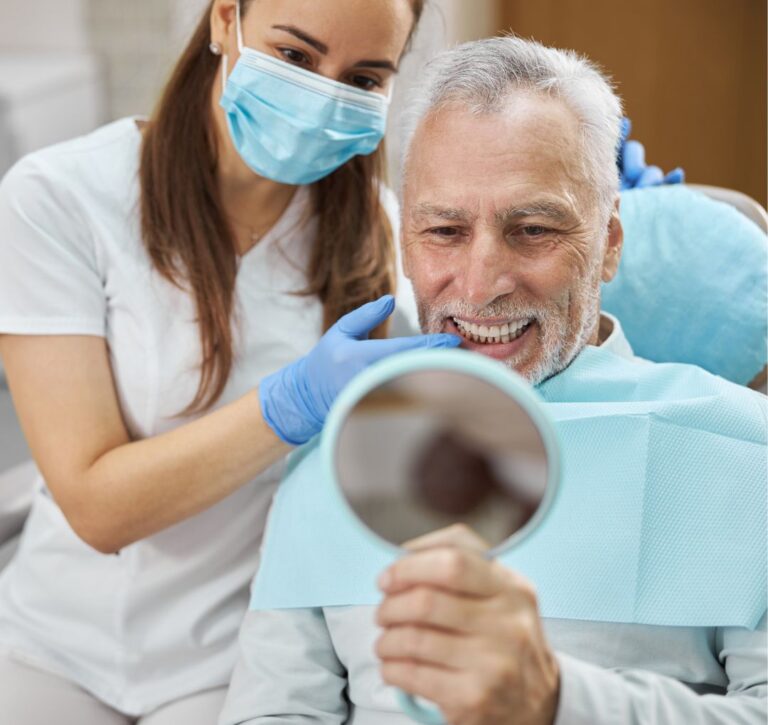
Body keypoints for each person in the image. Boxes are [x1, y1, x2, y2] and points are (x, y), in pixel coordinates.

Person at [219, 37, 767, 725]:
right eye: (444, 230)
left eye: (532, 229)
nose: (479, 286)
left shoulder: (747, 455)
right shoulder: (332, 461)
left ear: (609, 246)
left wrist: (557, 702)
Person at [0, 1, 468, 722]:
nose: (321, 97)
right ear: (225, 20)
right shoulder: (58, 199)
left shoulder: (377, 234)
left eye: (364, 77)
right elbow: (96, 506)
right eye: (295, 56)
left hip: (233, 659)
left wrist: (594, 218)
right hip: (53, 642)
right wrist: (289, 406)